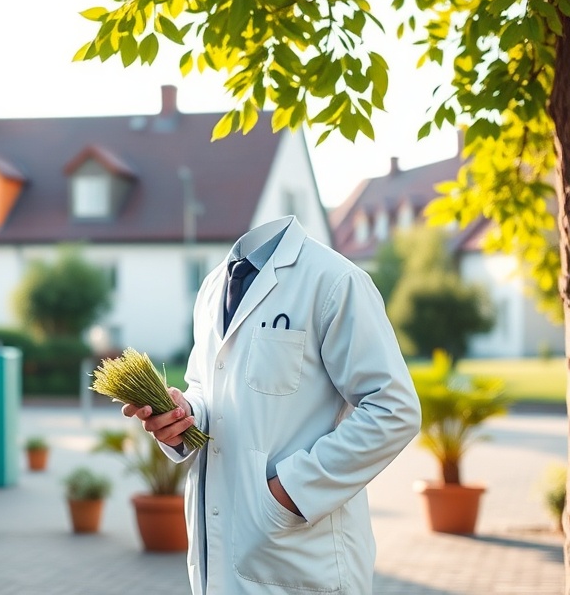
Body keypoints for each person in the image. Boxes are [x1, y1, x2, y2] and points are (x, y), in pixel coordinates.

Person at [123, 215, 421, 594]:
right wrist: (184, 415)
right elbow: (207, 386)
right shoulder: (214, 286)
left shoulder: (334, 281)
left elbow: (394, 409)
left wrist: (292, 492)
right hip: (218, 556)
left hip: (298, 558)